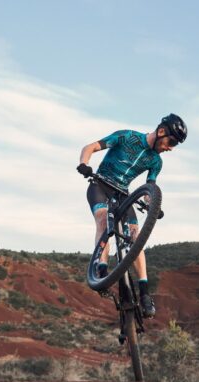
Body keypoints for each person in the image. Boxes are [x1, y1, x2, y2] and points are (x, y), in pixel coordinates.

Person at [76, 114, 187, 318]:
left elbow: (149, 187)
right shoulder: (126, 137)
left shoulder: (156, 161)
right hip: (100, 185)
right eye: (171, 142)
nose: (170, 148)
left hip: (123, 195)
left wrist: (153, 204)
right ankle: (101, 270)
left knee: (135, 237)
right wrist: (84, 164)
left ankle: (144, 293)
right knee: (103, 220)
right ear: (161, 131)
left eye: (175, 145)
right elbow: (90, 147)